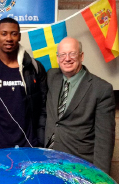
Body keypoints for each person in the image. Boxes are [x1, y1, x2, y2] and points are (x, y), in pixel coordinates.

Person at [0, 17, 47, 152]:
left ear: (19, 36)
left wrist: (40, 141)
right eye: (4, 33)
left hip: (28, 146)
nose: (9, 38)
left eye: (14, 33)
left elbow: (43, 107)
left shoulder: (34, 67)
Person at [45, 37, 115, 174]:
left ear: (81, 56)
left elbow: (104, 140)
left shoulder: (101, 89)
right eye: (63, 54)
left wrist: (100, 177)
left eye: (72, 53)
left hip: (79, 163)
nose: (67, 59)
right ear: (58, 58)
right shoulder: (51, 76)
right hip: (49, 159)